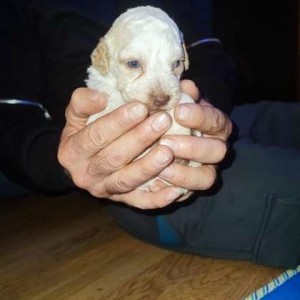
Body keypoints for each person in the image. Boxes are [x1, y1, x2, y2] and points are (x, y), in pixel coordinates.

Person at [1, 0, 299, 268]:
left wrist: (205, 110)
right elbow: (9, 116)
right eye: (133, 64)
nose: (158, 94)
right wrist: (70, 160)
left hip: (216, 117)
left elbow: (208, 52)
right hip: (145, 178)